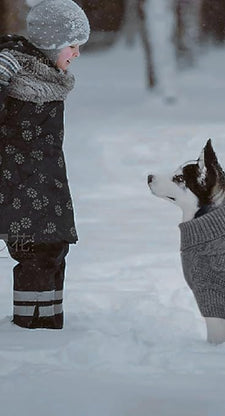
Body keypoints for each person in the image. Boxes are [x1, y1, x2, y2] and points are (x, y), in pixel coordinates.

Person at [0, 0, 90, 329]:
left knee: (54, 251)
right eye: (72, 45)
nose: (77, 53)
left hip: (46, 187)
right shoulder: (15, 75)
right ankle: (32, 330)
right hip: (20, 188)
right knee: (35, 256)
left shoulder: (48, 79)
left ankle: (50, 322)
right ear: (51, 43)